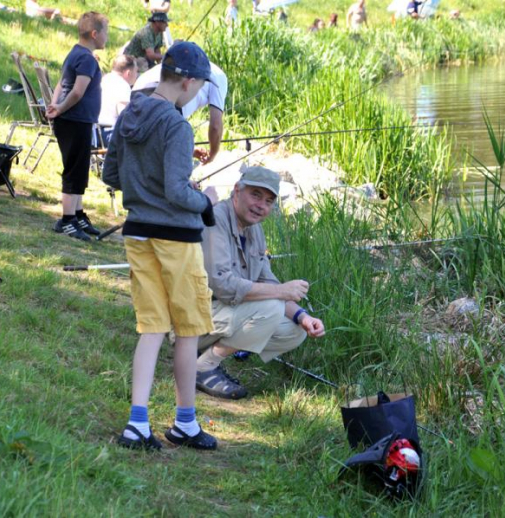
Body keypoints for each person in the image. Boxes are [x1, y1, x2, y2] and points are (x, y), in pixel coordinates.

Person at [103, 41, 220, 451]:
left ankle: (138, 423)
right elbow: (176, 192)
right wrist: (206, 200)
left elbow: (111, 174)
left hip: (137, 232)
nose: (198, 94)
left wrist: (146, 186)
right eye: (199, 87)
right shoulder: (176, 125)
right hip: (177, 239)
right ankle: (185, 422)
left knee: (151, 326)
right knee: (188, 329)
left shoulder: (130, 113)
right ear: (187, 82)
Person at [196, 167, 326, 400]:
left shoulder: (254, 230)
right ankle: (203, 367)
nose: (261, 206)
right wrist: (281, 291)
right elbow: (222, 284)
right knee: (272, 308)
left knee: (295, 331)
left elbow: (268, 284)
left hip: (222, 316)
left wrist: (303, 317)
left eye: (268, 201)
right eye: (255, 195)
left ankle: (207, 355)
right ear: (237, 190)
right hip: (191, 320)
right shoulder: (215, 219)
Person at [47, 11, 107, 241]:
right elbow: (77, 91)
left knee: (80, 168)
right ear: (94, 34)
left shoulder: (75, 54)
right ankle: (68, 220)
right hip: (75, 120)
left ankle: (78, 214)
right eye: (106, 33)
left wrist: (54, 104)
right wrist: (59, 109)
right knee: (74, 169)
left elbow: (61, 83)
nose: (107, 38)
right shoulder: (87, 59)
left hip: (75, 120)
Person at [133, 60, 228, 164]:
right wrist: (212, 155)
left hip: (138, 89)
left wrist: (189, 151)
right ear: (189, 83)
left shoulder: (179, 59)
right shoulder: (219, 76)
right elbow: (215, 125)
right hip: (166, 98)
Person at [98, 54, 138, 143]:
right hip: (110, 133)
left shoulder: (103, 80)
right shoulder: (123, 85)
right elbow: (124, 116)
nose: (137, 75)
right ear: (128, 73)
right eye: (136, 71)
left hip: (95, 133)